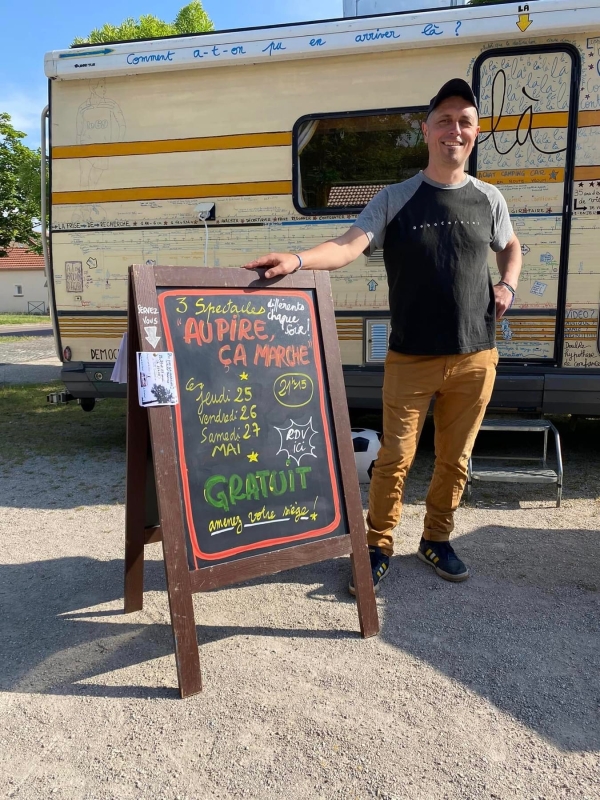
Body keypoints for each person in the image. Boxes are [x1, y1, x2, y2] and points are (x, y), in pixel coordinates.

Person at [243, 78, 522, 592]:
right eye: (444, 120)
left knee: (456, 459)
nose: (453, 131)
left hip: (476, 355)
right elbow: (348, 246)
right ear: (426, 130)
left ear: (475, 133)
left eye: (464, 122)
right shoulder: (396, 198)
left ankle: (437, 538)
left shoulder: (490, 199)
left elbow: (511, 247)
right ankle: (377, 544)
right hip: (410, 357)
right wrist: (298, 261)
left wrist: (507, 283)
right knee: (395, 458)